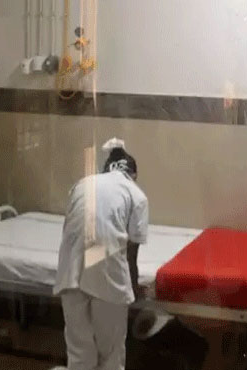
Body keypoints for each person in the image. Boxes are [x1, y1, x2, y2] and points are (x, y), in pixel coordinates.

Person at [54, 141, 148, 370]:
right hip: (108, 277)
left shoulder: (82, 184)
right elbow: (131, 252)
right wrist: (134, 288)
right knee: (111, 356)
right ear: (132, 174)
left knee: (79, 355)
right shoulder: (136, 194)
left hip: (69, 273)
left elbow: (71, 230)